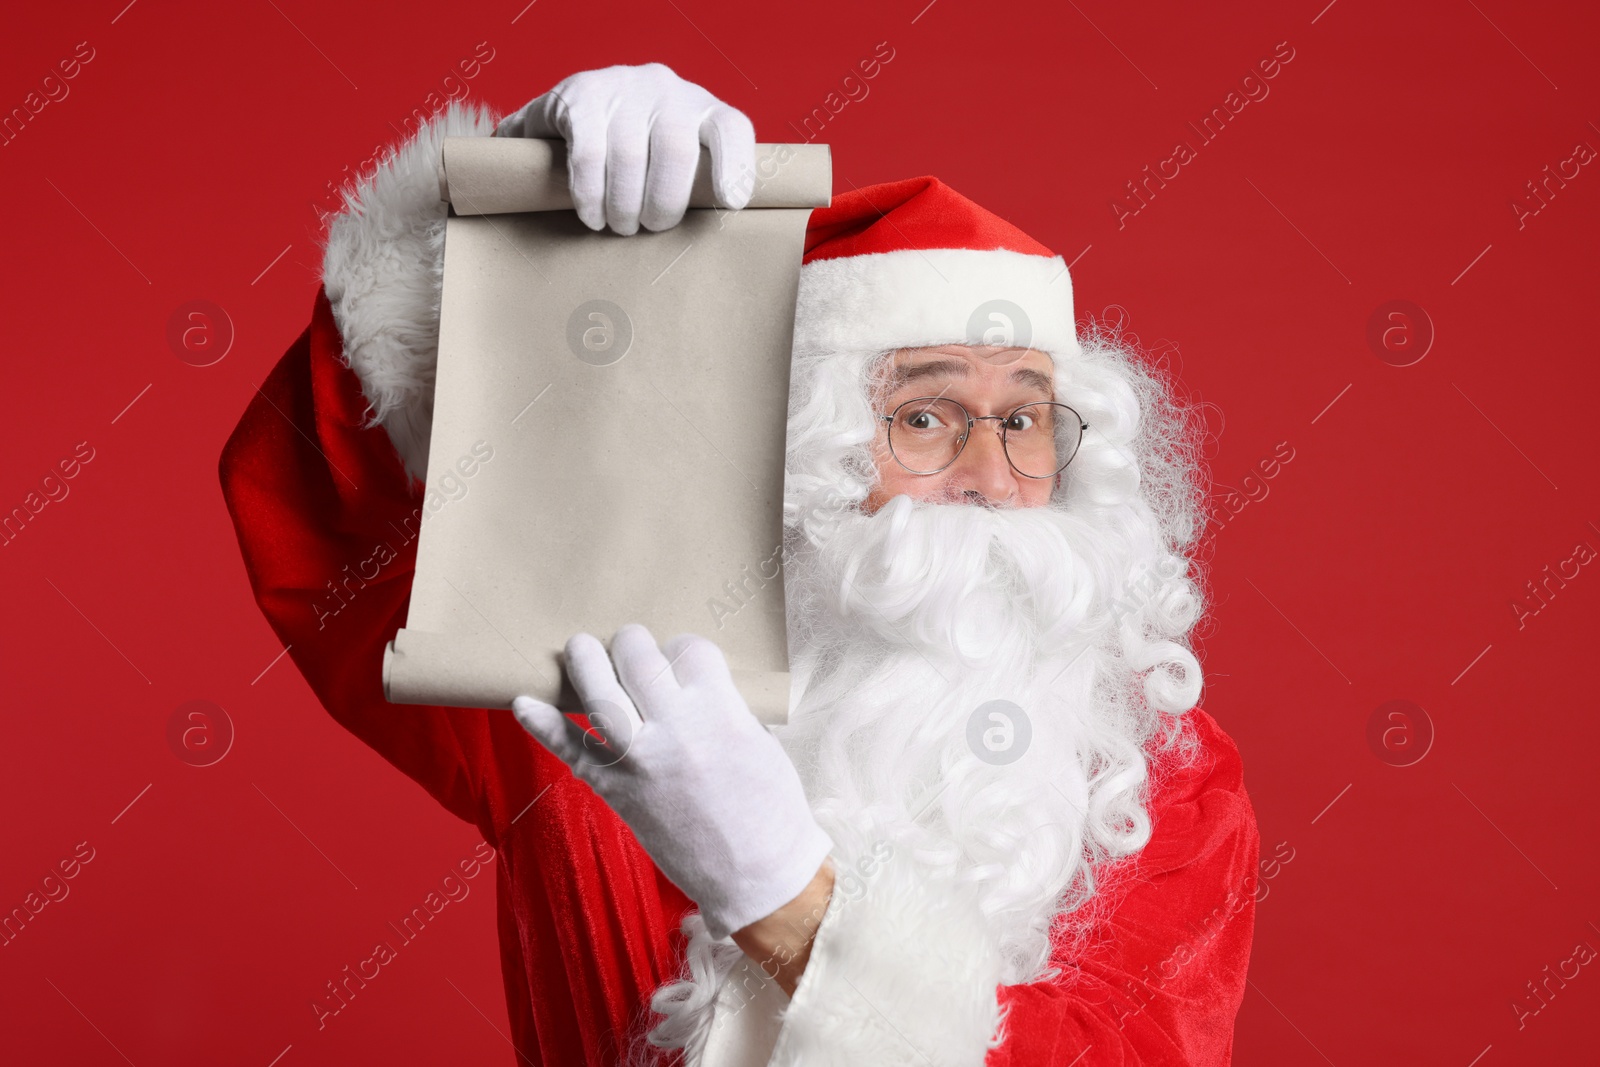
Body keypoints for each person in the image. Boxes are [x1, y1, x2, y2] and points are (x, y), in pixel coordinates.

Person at [219, 63, 1259, 1066]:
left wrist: (778, 891)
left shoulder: (1157, 772)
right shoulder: (616, 685)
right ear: (810, 449)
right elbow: (336, 534)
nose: (989, 474)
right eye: (926, 416)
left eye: (1023, 418)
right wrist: (512, 209)